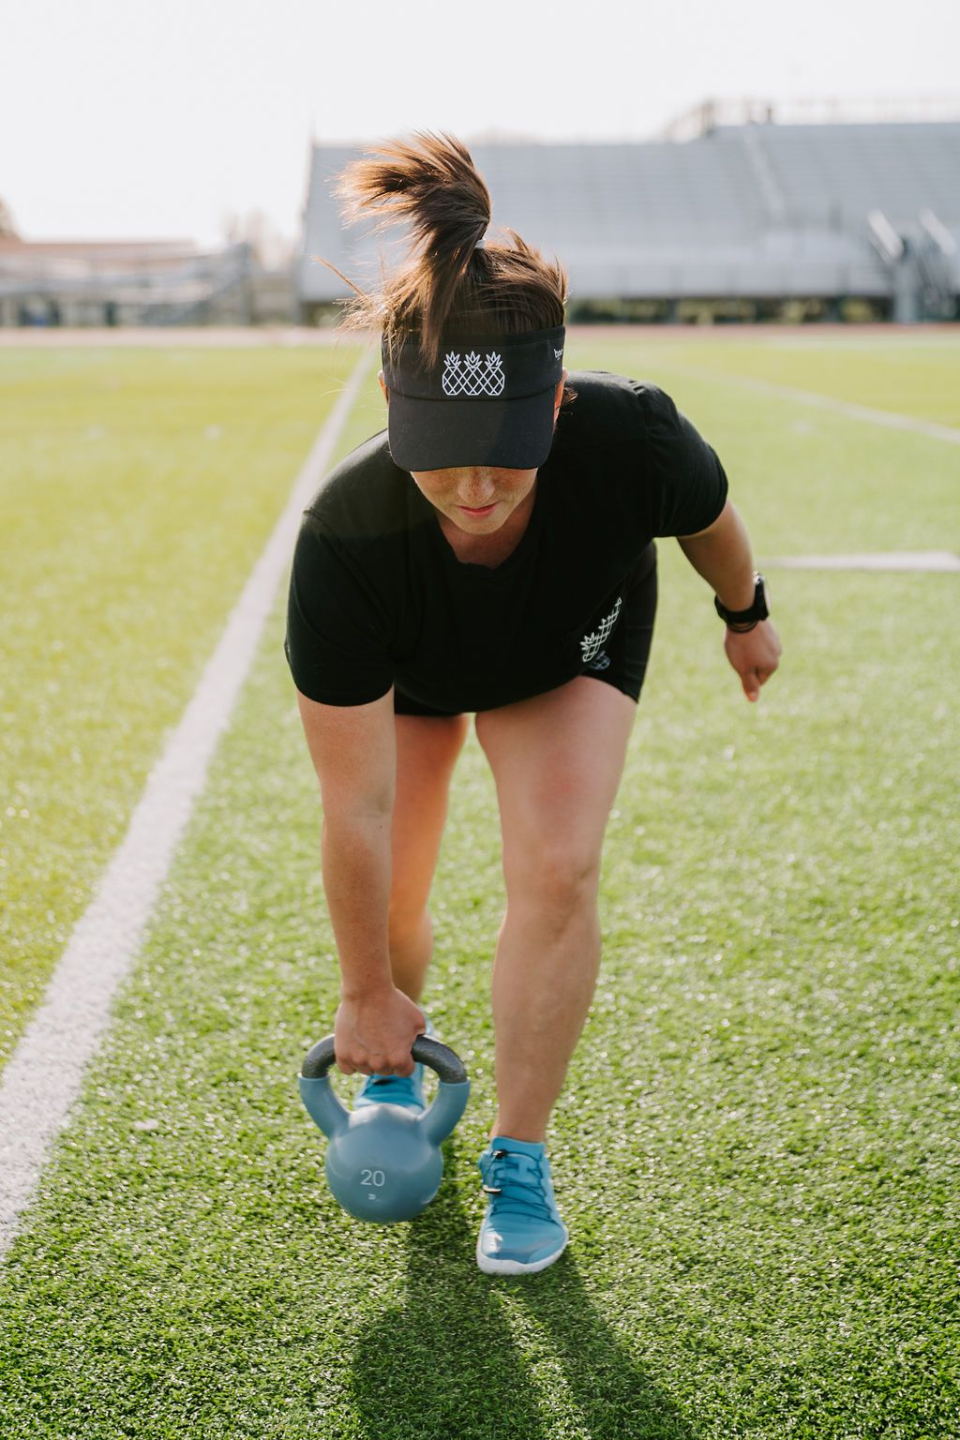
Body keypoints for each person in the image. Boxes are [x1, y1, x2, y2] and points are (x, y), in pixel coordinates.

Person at [285, 130, 782, 1276]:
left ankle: (519, 1153)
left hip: (568, 645)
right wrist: (363, 994)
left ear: (555, 405)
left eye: (503, 454)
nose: (472, 486)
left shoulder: (634, 436)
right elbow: (354, 808)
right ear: (390, 400)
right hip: (415, 666)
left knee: (557, 868)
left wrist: (745, 615)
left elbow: (710, 521)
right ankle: (394, 1077)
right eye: (443, 452)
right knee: (395, 879)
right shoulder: (345, 537)